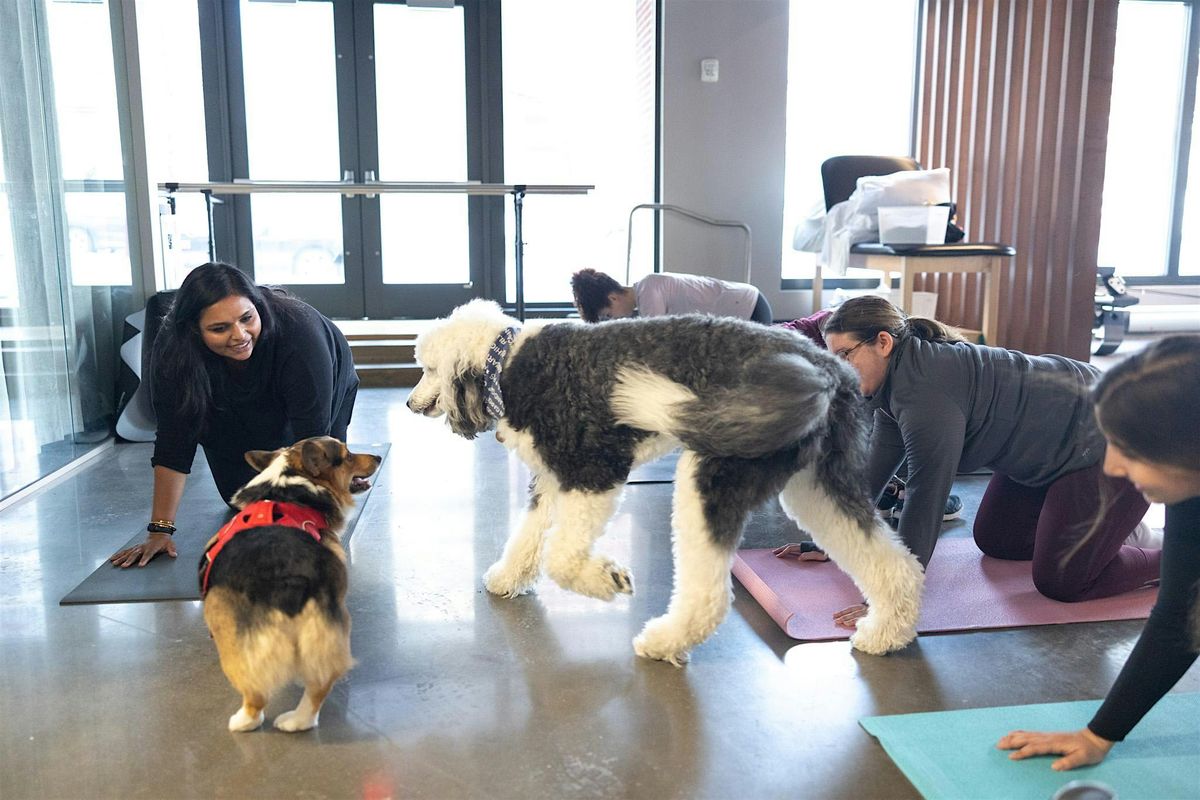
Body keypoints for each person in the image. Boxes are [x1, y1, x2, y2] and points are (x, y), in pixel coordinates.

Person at [814, 295, 1161, 628]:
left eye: (846, 354)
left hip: (1117, 438)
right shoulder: (894, 382)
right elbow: (876, 466)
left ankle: (1176, 557)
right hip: (1049, 449)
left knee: (1063, 582)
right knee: (999, 540)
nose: (839, 369)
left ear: (884, 343)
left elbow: (925, 496)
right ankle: (1105, 530)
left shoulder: (924, 392)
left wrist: (894, 595)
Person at [997, 335, 1200, 770]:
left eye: (1128, 448)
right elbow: (1179, 618)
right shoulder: (1190, 486)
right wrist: (1098, 735)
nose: (1111, 468)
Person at [109, 262, 363, 568]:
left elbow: (310, 441)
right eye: (220, 328)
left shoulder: (300, 334)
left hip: (320, 390)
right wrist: (160, 531)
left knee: (319, 486)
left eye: (247, 319)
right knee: (241, 498)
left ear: (257, 306)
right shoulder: (173, 352)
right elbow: (174, 444)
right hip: (227, 403)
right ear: (193, 329)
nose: (239, 335)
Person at [570, 268, 773, 324]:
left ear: (613, 298)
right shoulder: (646, 291)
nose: (614, 319)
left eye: (608, 314)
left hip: (750, 308)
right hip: (750, 301)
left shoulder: (648, 292)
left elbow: (656, 339)